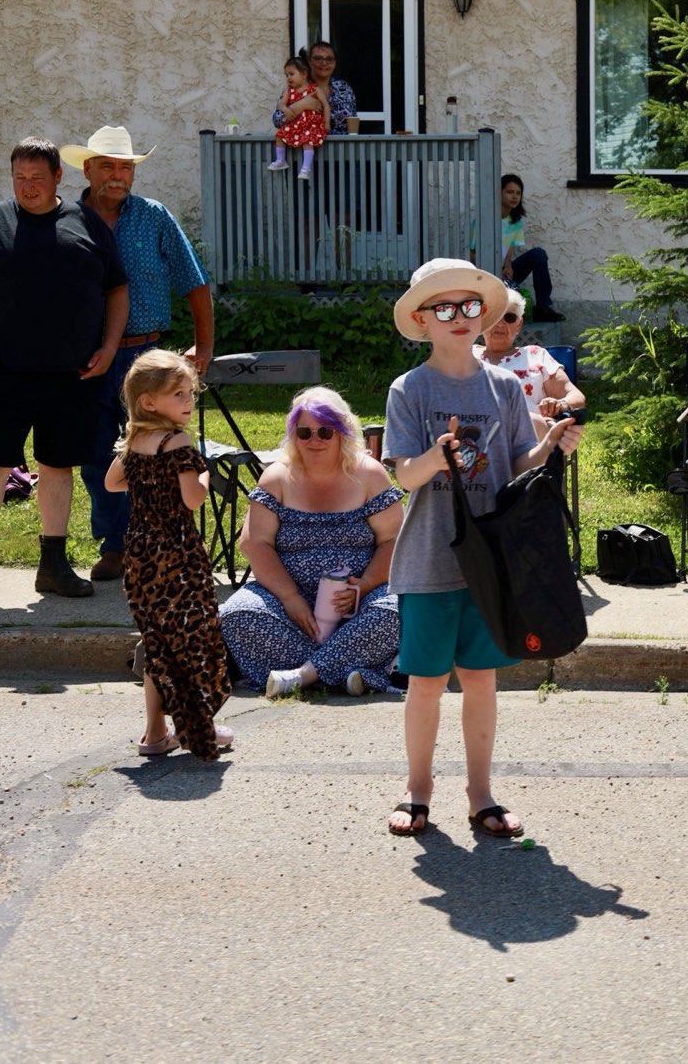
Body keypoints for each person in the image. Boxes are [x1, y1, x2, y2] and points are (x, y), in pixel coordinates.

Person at [382, 258, 583, 838]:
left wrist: (548, 443)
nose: (459, 317)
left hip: (489, 561)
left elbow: (517, 467)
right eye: (443, 308)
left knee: (480, 679)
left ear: (484, 314)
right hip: (428, 557)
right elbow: (405, 475)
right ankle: (418, 792)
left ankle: (481, 794)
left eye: (469, 306)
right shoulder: (410, 389)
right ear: (422, 319)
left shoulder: (502, 386)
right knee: (424, 682)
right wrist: (438, 453)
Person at [0, 137, 128, 606]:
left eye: (37, 178)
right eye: (20, 178)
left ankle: (53, 566)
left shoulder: (87, 223)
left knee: (58, 466)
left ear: (59, 177)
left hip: (71, 375)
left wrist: (108, 346)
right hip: (1, 373)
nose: (28, 187)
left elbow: (116, 290)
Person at [62, 125, 215, 583]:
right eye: (107, 166)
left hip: (147, 354)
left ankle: (155, 542)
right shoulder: (65, 218)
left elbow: (194, 280)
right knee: (96, 454)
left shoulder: (154, 216)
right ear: (87, 170)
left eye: (124, 167)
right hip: (86, 357)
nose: (116, 175)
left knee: (153, 451)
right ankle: (114, 544)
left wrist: (203, 346)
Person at [219, 387, 404, 698]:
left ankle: (304, 674)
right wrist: (290, 598)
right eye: (304, 432)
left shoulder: (369, 474)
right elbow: (255, 544)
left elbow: (393, 540)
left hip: (359, 598)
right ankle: (354, 670)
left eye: (325, 431)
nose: (314, 439)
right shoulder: (276, 477)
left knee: (400, 610)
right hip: (288, 601)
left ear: (343, 432)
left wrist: (364, 586)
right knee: (238, 614)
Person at [104, 350, 234, 760]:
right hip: (177, 554)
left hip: (141, 553)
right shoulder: (176, 442)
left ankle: (156, 732)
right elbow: (193, 500)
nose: (188, 401)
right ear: (149, 401)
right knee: (190, 639)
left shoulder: (137, 442)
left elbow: (112, 483)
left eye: (190, 393)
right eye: (178, 394)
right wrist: (205, 473)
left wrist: (148, 485)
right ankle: (199, 724)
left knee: (159, 642)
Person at [476, 285, 585, 439]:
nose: (500, 324)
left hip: (528, 441)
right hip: (477, 439)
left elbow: (576, 397)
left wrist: (559, 404)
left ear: (518, 325)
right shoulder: (467, 355)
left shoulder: (536, 356)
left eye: (509, 318)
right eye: (495, 316)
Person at [497, 174, 564, 323]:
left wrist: (508, 265)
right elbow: (473, 254)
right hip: (488, 275)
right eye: (509, 192)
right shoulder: (485, 219)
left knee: (538, 254)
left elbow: (508, 250)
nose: (514, 196)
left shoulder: (515, 222)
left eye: (518, 193)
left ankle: (543, 307)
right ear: (499, 193)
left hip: (504, 273)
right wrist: (497, 268)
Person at [273, 40, 356, 137]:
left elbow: (353, 121)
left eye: (329, 59)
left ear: (335, 62)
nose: (324, 63)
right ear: (309, 61)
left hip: (340, 148)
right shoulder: (296, 87)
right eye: (318, 58)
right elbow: (278, 120)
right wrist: (301, 105)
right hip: (306, 148)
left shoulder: (344, 88)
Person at [268, 53, 327, 180]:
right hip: (296, 124)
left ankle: (306, 168)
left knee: (307, 141)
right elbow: (281, 104)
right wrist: (284, 109)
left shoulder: (314, 89)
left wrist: (327, 123)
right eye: (287, 75)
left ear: (304, 74)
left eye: (291, 74)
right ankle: (281, 160)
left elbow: (326, 106)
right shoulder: (289, 90)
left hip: (310, 125)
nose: (288, 78)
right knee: (280, 135)